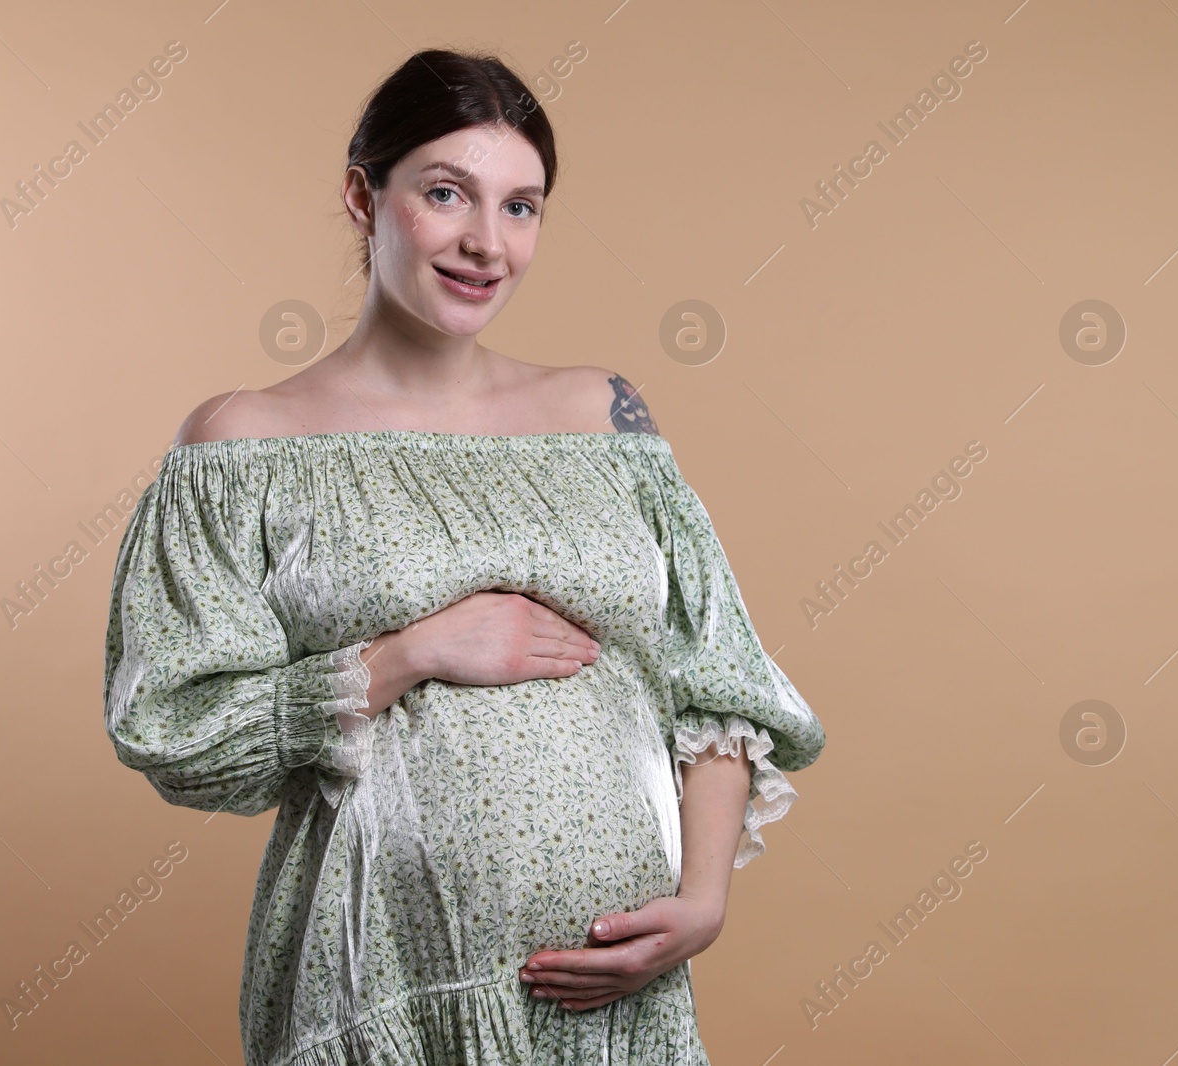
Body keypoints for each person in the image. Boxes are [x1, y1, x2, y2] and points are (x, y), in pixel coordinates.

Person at [102, 46, 826, 1066]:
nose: (487, 243)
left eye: (521, 207)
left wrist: (701, 899)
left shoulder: (601, 417)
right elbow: (174, 728)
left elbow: (717, 676)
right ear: (364, 195)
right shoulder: (244, 445)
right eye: (447, 195)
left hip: (615, 1004)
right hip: (378, 985)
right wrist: (408, 652)